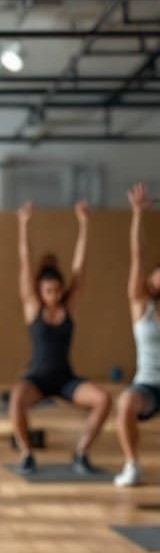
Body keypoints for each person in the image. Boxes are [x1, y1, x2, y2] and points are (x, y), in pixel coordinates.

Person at [10, 200, 111, 475]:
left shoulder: (69, 306)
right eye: (48, 291)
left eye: (57, 290)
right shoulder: (33, 307)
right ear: (40, 291)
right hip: (38, 379)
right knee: (16, 399)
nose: (53, 295)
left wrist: (84, 224)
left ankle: (81, 453)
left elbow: (80, 268)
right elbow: (25, 262)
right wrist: (23, 224)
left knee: (103, 399)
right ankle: (27, 454)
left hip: (66, 379)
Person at [114, 183, 160, 486]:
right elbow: (138, 257)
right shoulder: (141, 306)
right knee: (125, 403)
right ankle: (132, 465)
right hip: (148, 386)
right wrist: (138, 215)